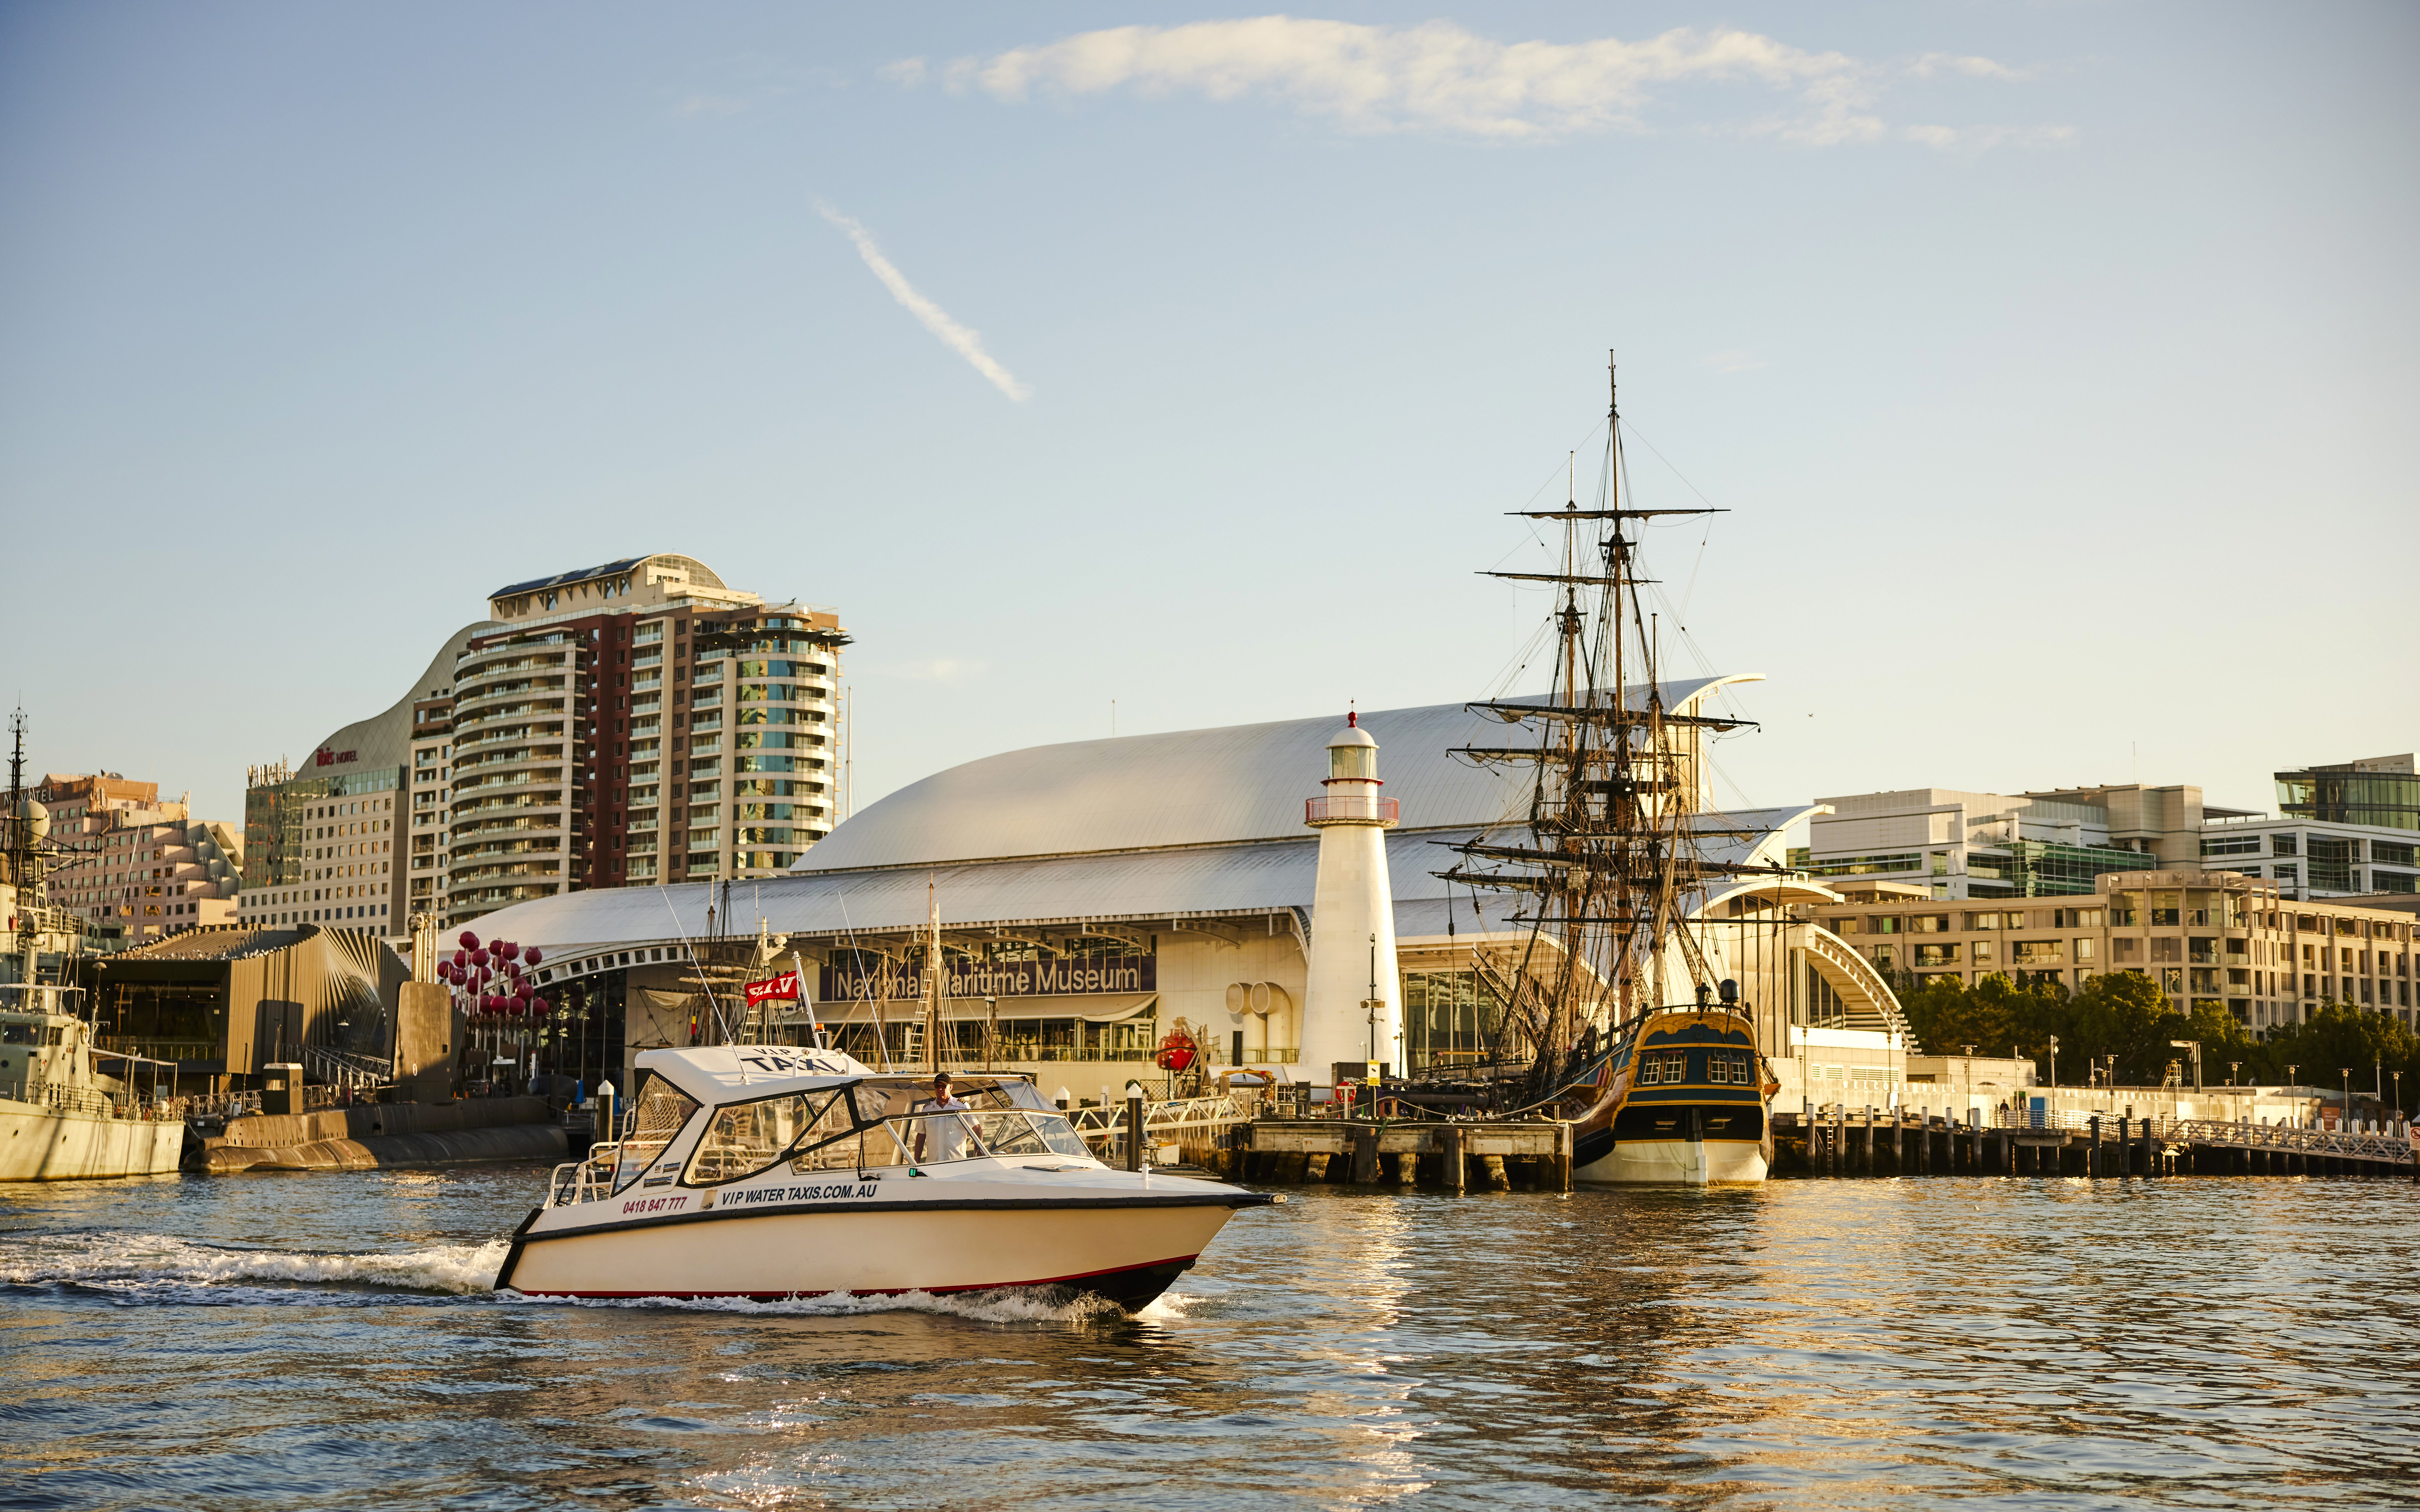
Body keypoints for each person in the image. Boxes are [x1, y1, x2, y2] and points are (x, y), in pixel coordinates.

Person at [912, 1071, 975, 1163]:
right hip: (933, 1164)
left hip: (958, 1164)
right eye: (937, 1086)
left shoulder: (962, 1106)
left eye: (943, 1086)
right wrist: (917, 1161)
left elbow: (977, 1128)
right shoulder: (927, 1109)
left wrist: (978, 1150)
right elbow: (921, 1137)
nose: (940, 1089)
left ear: (951, 1087)